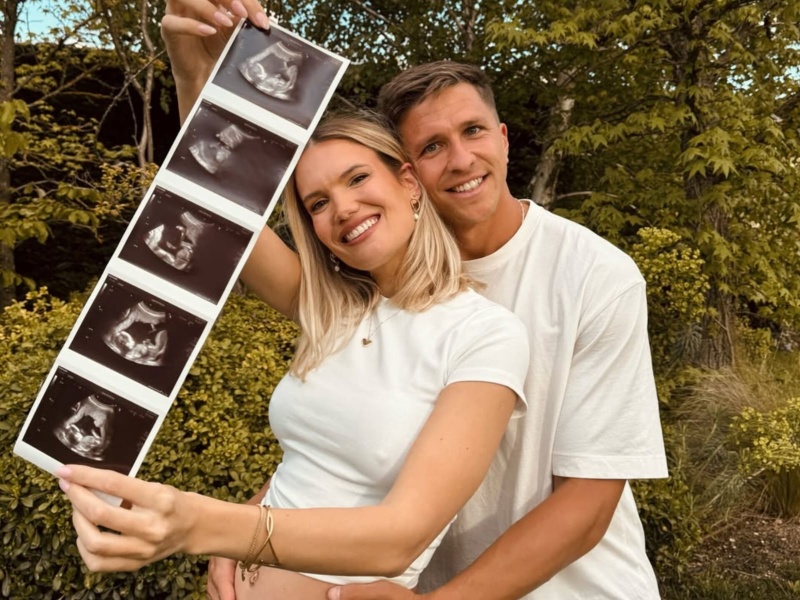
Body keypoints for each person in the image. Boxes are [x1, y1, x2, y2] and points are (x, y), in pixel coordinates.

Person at [161, 2, 669, 599]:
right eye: (431, 147)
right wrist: (194, 73)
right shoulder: (364, 292)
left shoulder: (593, 276)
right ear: (410, 174)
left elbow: (587, 504)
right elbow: (224, 211)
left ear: (504, 139)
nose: (460, 159)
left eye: (473, 131)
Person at [58, 111, 530, 600]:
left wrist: (202, 525)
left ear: (408, 182)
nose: (343, 208)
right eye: (318, 203)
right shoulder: (334, 313)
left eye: (357, 178)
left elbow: (400, 538)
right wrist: (191, 66)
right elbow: (219, 193)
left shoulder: (486, 334)